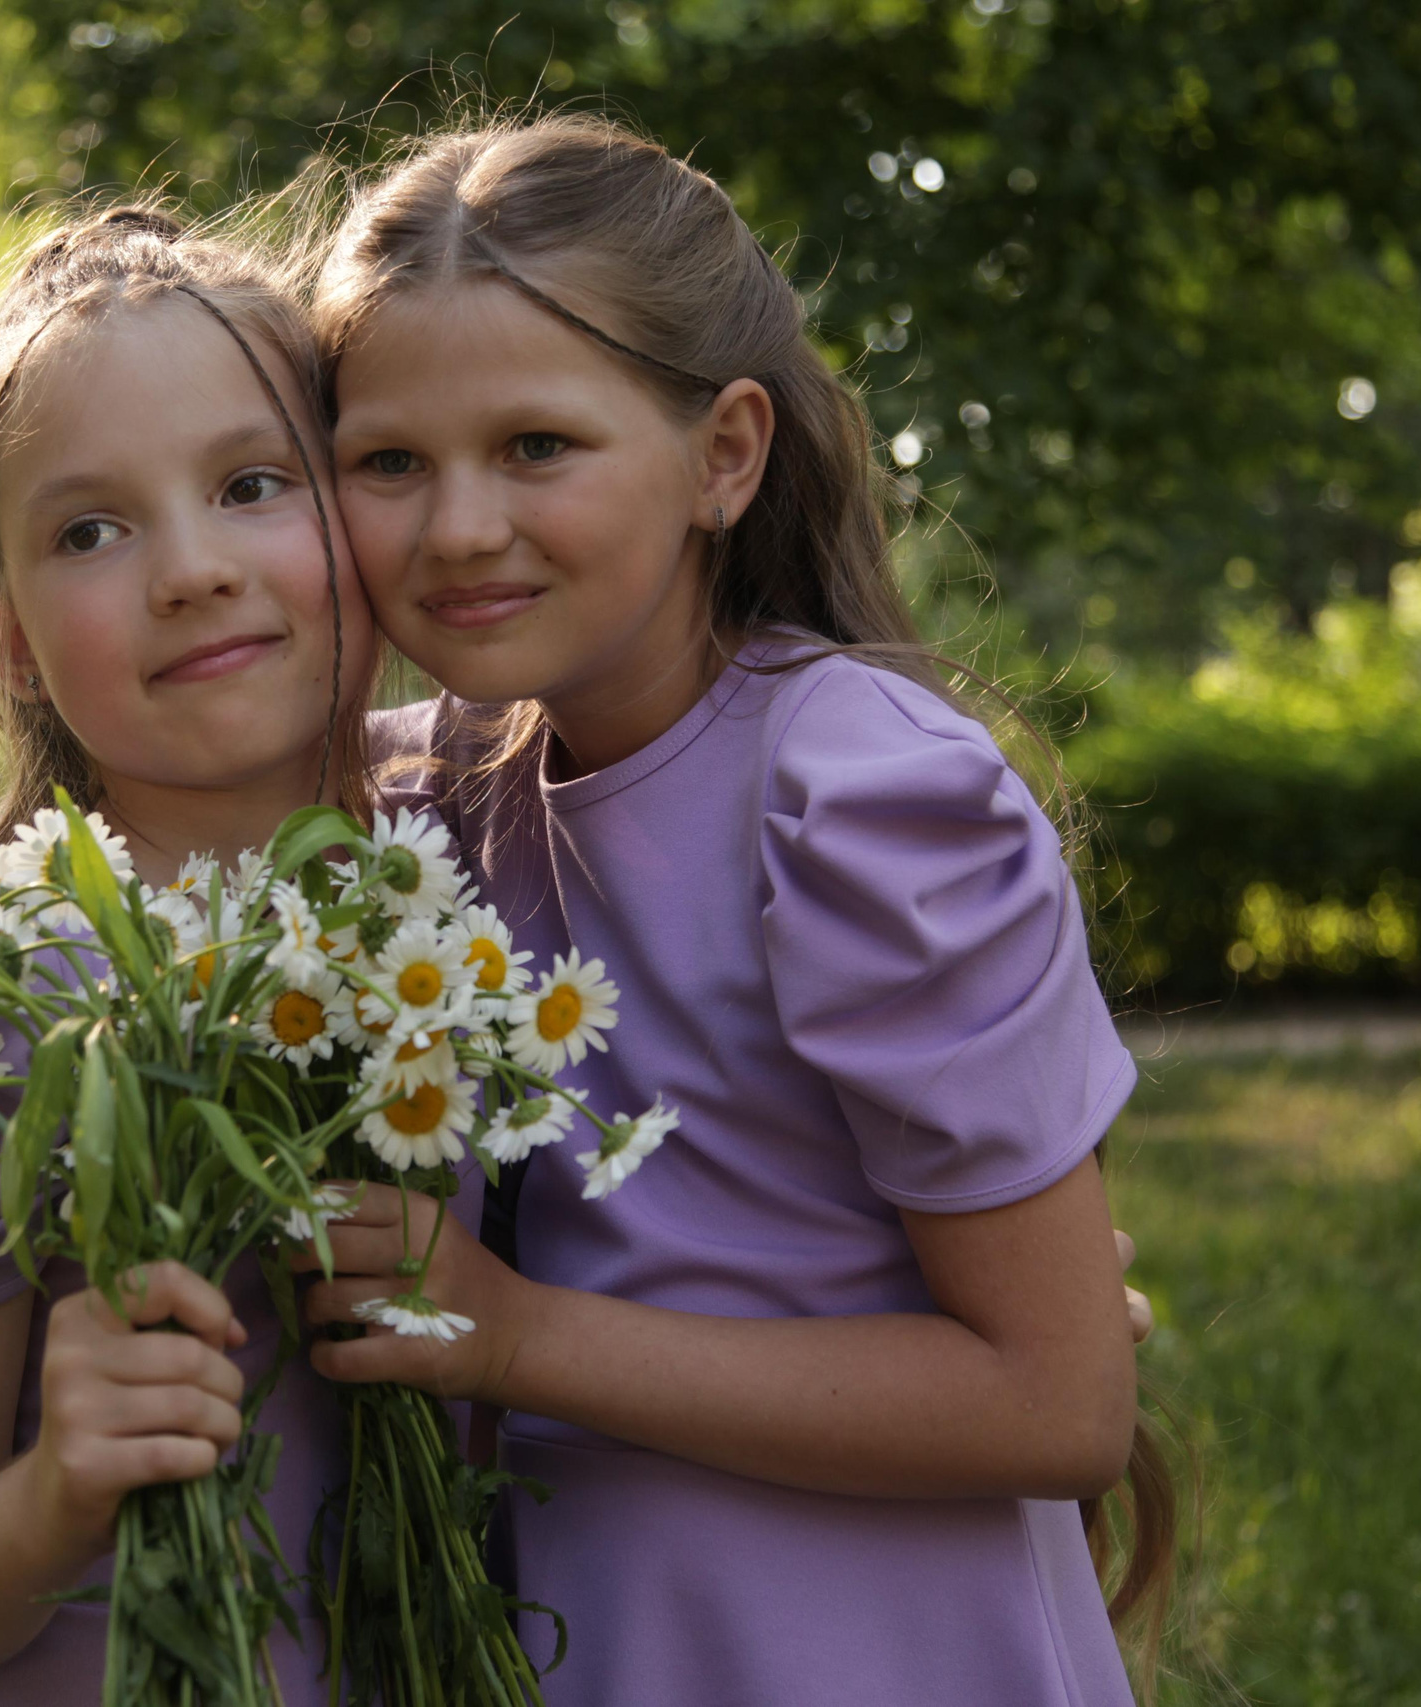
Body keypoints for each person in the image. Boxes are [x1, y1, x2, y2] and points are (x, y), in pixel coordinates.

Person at [292, 115, 1175, 1705]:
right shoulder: (414, 804)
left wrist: (514, 1339)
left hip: (870, 1644)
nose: (459, 528)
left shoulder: (857, 796)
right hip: (574, 1639)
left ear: (725, 454)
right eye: (389, 464)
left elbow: (1058, 1402)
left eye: (537, 447)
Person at [0, 201, 390, 1704]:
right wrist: (57, 1487)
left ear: (368, 519)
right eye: (92, 531)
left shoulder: (502, 844)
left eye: (253, 484)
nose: (188, 570)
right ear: (5, 642)